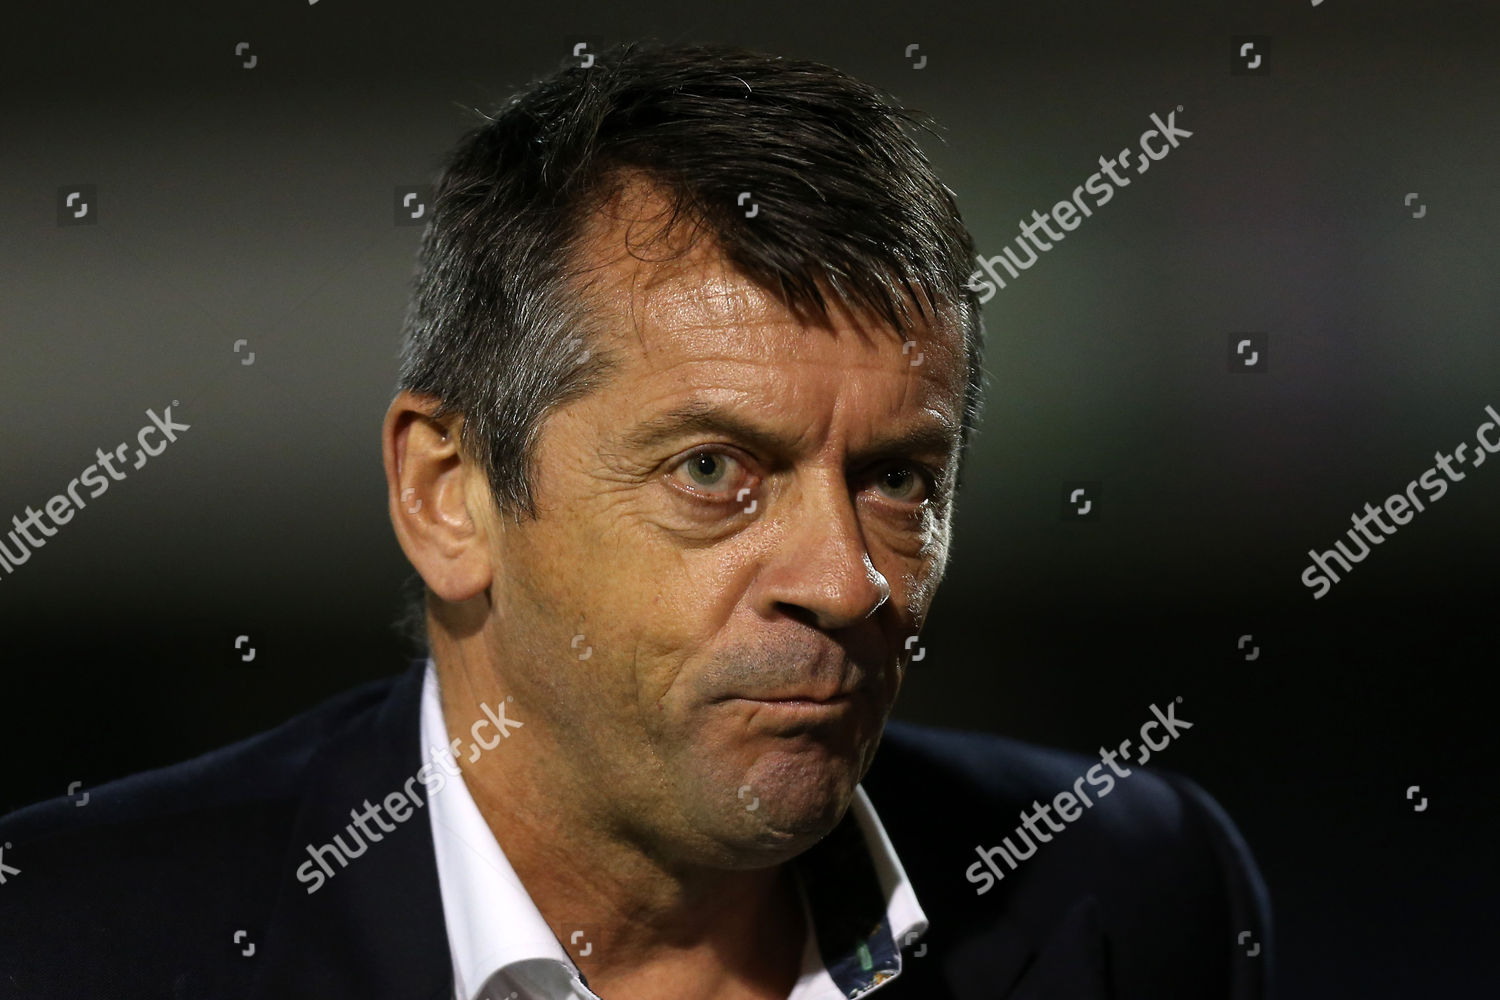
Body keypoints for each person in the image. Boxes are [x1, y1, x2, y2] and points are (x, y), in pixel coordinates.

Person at [0, 41, 1270, 1000]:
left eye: (896, 478)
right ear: (448, 495)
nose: (845, 582)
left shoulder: (1132, 894)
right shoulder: (72, 942)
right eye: (714, 468)